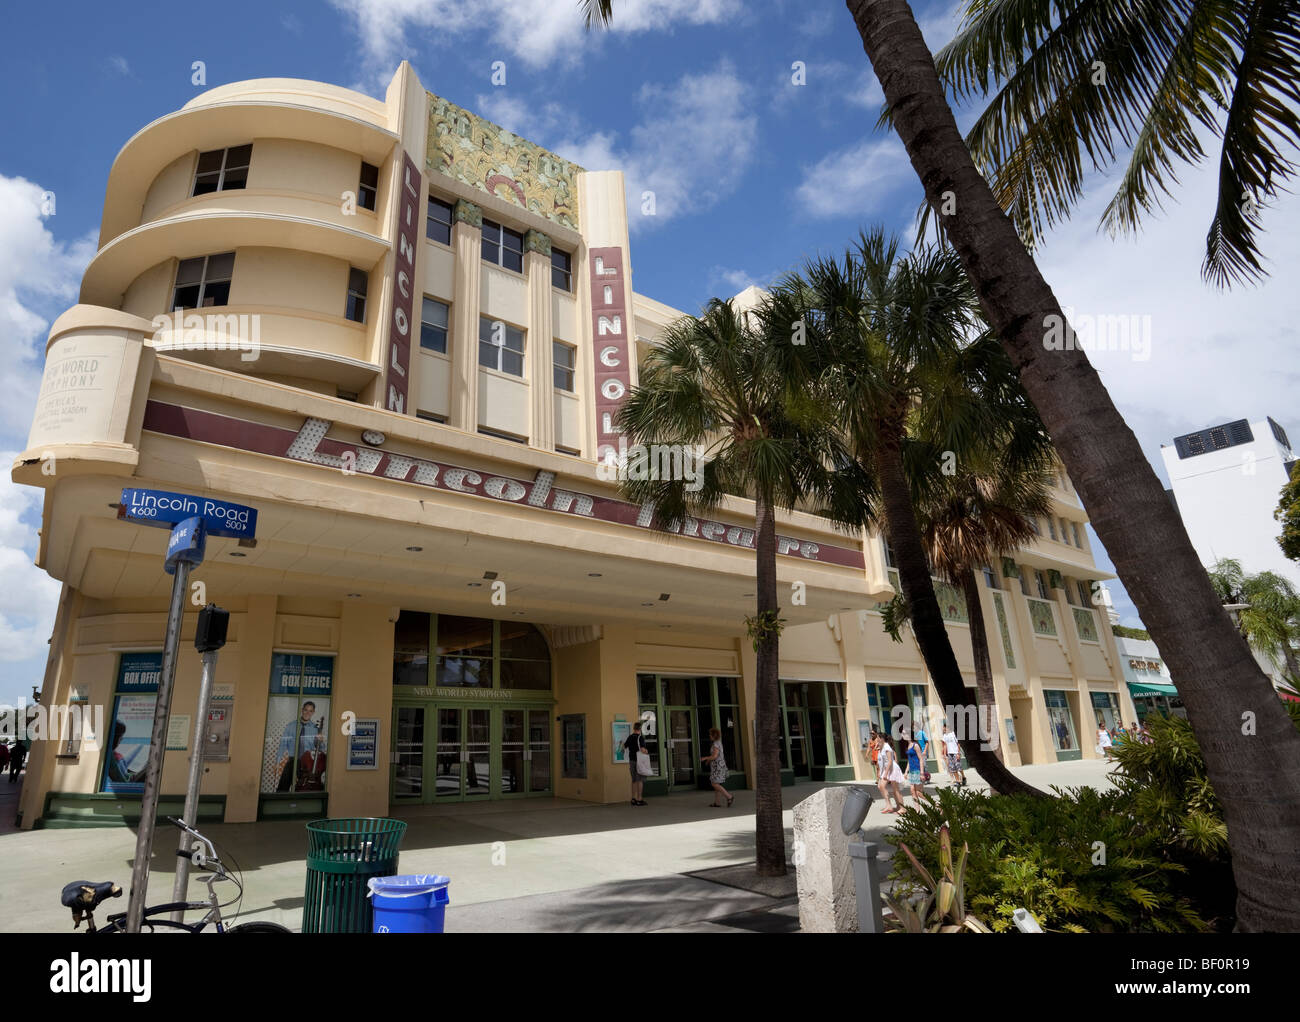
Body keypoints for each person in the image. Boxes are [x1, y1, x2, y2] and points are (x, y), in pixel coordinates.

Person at [276, 701, 325, 792]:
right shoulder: (290, 726)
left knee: (304, 788)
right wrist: (278, 761)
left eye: (310, 711)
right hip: (292, 760)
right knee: (282, 788)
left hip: (307, 763)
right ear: (302, 710)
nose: (307, 713)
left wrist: (321, 741)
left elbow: (321, 749)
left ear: (313, 712)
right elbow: (283, 744)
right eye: (306, 710)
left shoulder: (315, 729)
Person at [700, 727, 734, 807]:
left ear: (713, 735)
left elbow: (715, 756)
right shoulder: (717, 742)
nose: (709, 736)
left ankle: (729, 797)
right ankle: (717, 802)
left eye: (710, 734)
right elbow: (715, 755)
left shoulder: (716, 744)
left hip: (718, 767)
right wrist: (709, 760)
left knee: (714, 784)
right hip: (718, 766)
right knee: (717, 784)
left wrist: (705, 758)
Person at [876, 736, 906, 814]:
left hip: (892, 770)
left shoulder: (887, 748)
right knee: (892, 789)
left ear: (882, 739)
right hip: (888, 770)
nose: (877, 740)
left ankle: (902, 808)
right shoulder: (883, 748)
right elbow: (882, 763)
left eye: (878, 738)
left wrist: (885, 774)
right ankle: (896, 806)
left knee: (896, 790)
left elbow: (891, 761)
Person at [624, 720, 648, 806]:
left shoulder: (630, 737)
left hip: (632, 760)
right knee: (640, 780)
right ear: (640, 729)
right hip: (639, 761)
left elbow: (624, 746)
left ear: (634, 728)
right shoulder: (640, 737)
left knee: (633, 780)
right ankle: (639, 799)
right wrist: (646, 751)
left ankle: (633, 798)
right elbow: (642, 749)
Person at [904, 730, 929, 807]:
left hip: (917, 770)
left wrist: (922, 773)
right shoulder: (908, 746)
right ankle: (917, 811)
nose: (902, 735)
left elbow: (921, 759)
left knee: (919, 793)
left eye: (904, 733)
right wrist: (906, 772)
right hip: (912, 772)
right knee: (912, 791)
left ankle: (937, 805)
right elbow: (909, 760)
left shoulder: (915, 745)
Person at [941, 723, 966, 788]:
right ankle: (958, 781)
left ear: (947, 728)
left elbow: (958, 743)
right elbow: (945, 745)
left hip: (955, 753)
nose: (943, 729)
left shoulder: (954, 734)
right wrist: (944, 754)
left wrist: (958, 753)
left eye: (944, 727)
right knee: (952, 768)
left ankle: (963, 777)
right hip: (950, 754)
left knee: (959, 767)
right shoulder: (945, 736)